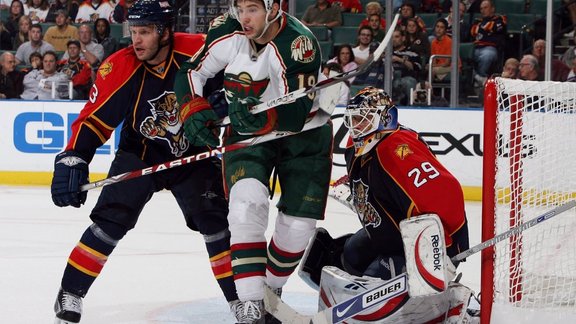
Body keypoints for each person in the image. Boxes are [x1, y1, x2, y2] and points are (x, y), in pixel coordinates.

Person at [50, 1, 238, 323]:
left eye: (145, 32)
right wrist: (74, 158)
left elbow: (245, 69)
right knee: (111, 221)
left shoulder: (197, 52)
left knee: (216, 222)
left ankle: (239, 300)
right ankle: (70, 293)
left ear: (164, 32)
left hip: (192, 154)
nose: (136, 41)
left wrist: (229, 97)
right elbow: (94, 121)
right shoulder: (120, 65)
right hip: (140, 153)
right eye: (133, 32)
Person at [174, 0, 331, 323]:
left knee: (298, 228)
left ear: (273, 8)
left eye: (253, 9)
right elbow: (193, 71)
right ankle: (249, 304)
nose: (244, 18)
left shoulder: (299, 44)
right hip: (247, 133)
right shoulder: (226, 30)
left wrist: (259, 116)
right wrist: (192, 107)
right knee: (246, 205)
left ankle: (269, 292)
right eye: (240, 8)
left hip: (305, 136)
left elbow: (296, 114)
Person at [299, 87, 470, 322]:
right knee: (348, 254)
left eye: (363, 118)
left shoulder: (398, 148)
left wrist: (444, 250)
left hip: (415, 244)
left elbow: (445, 194)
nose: (356, 125)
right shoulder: (358, 144)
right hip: (387, 233)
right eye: (353, 118)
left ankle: (432, 306)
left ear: (385, 117)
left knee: (375, 280)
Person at [470, 0, 506, 87]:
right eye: (481, 8)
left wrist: (482, 29)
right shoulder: (477, 20)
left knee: (487, 55)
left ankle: (479, 77)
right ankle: (479, 78)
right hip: (475, 47)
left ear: (492, 9)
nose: (483, 10)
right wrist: (487, 30)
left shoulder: (500, 19)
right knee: (461, 56)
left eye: (485, 8)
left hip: (490, 48)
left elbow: (494, 28)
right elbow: (472, 32)